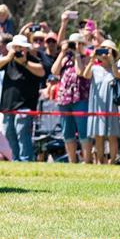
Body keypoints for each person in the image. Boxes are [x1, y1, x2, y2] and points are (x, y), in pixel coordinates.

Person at [0, 34, 45, 162]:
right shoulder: (8, 60)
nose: (18, 50)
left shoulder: (32, 59)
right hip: (8, 104)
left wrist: (25, 63)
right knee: (9, 133)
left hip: (26, 104)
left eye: (21, 47)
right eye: (16, 47)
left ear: (26, 49)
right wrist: (8, 57)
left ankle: (26, 160)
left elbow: (41, 72)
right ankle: (15, 160)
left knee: (22, 132)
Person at [52, 33, 92, 163]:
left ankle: (87, 160)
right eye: (73, 44)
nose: (75, 46)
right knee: (67, 131)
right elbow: (54, 71)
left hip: (80, 97)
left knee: (83, 131)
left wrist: (77, 55)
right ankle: (72, 160)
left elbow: (80, 71)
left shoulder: (86, 58)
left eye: (78, 43)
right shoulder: (65, 58)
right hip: (64, 98)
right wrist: (62, 53)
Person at [81, 39, 120, 164]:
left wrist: (111, 60)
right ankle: (100, 161)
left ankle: (113, 161)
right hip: (97, 105)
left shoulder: (116, 67)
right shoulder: (94, 68)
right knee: (98, 136)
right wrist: (92, 58)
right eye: (102, 49)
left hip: (111, 105)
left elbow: (117, 76)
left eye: (107, 49)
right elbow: (85, 75)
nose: (104, 52)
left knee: (112, 135)